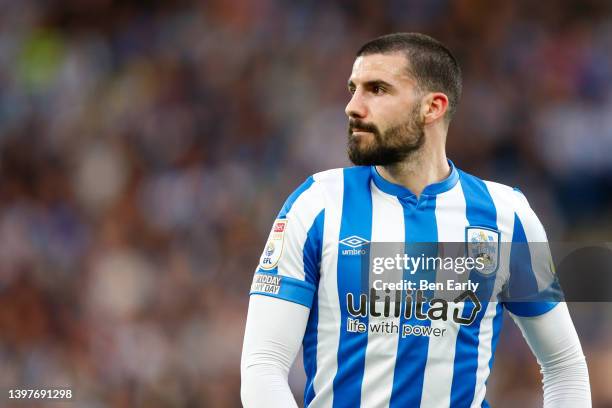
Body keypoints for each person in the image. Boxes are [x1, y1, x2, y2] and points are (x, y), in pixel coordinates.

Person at [241, 33, 591, 407]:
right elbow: (263, 365)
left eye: (376, 89)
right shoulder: (316, 205)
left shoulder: (507, 215)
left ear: (433, 107)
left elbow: (563, 365)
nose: (352, 106)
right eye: (352, 89)